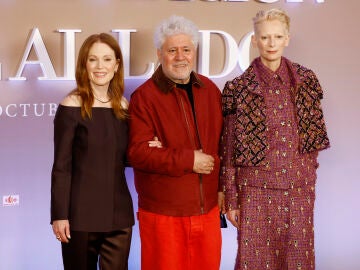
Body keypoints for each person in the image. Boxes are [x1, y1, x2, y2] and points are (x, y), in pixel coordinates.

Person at [220, 8, 330, 270]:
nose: (271, 43)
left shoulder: (305, 81)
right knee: (254, 263)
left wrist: (306, 182)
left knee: (297, 263)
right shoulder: (238, 88)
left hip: (298, 190)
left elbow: (313, 141)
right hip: (255, 191)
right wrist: (232, 199)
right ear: (255, 39)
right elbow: (228, 149)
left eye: (277, 37)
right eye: (265, 37)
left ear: (287, 39)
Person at [127, 15, 224, 270]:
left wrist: (222, 188)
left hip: (208, 212)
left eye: (186, 49)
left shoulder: (211, 91)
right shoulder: (144, 98)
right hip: (163, 216)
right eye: (172, 50)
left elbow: (223, 146)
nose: (180, 57)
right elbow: (138, 153)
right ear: (160, 53)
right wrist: (190, 159)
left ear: (194, 52)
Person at [50, 33, 134, 270]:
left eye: (107, 59)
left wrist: (150, 146)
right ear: (84, 64)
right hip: (79, 217)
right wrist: (59, 215)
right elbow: (61, 166)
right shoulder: (71, 105)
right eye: (93, 59)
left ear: (116, 65)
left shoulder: (123, 106)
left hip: (119, 216)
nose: (100, 67)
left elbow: (125, 158)